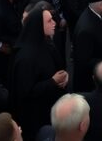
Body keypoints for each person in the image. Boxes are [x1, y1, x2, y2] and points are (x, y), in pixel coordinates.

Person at [9, 7, 66, 138]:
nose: (54, 23)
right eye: (49, 21)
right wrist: (52, 82)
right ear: (38, 25)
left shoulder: (46, 44)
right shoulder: (25, 57)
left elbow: (57, 68)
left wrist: (64, 76)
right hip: (36, 116)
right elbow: (25, 92)